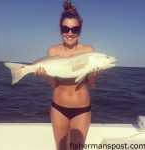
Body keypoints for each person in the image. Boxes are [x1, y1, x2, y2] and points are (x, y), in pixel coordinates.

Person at [35, 1, 101, 149]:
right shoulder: (52, 51)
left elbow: (92, 83)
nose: (70, 33)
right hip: (58, 107)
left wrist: (93, 72)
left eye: (74, 29)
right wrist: (46, 74)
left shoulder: (89, 50)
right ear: (60, 30)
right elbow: (52, 84)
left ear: (80, 31)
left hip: (82, 109)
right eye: (65, 28)